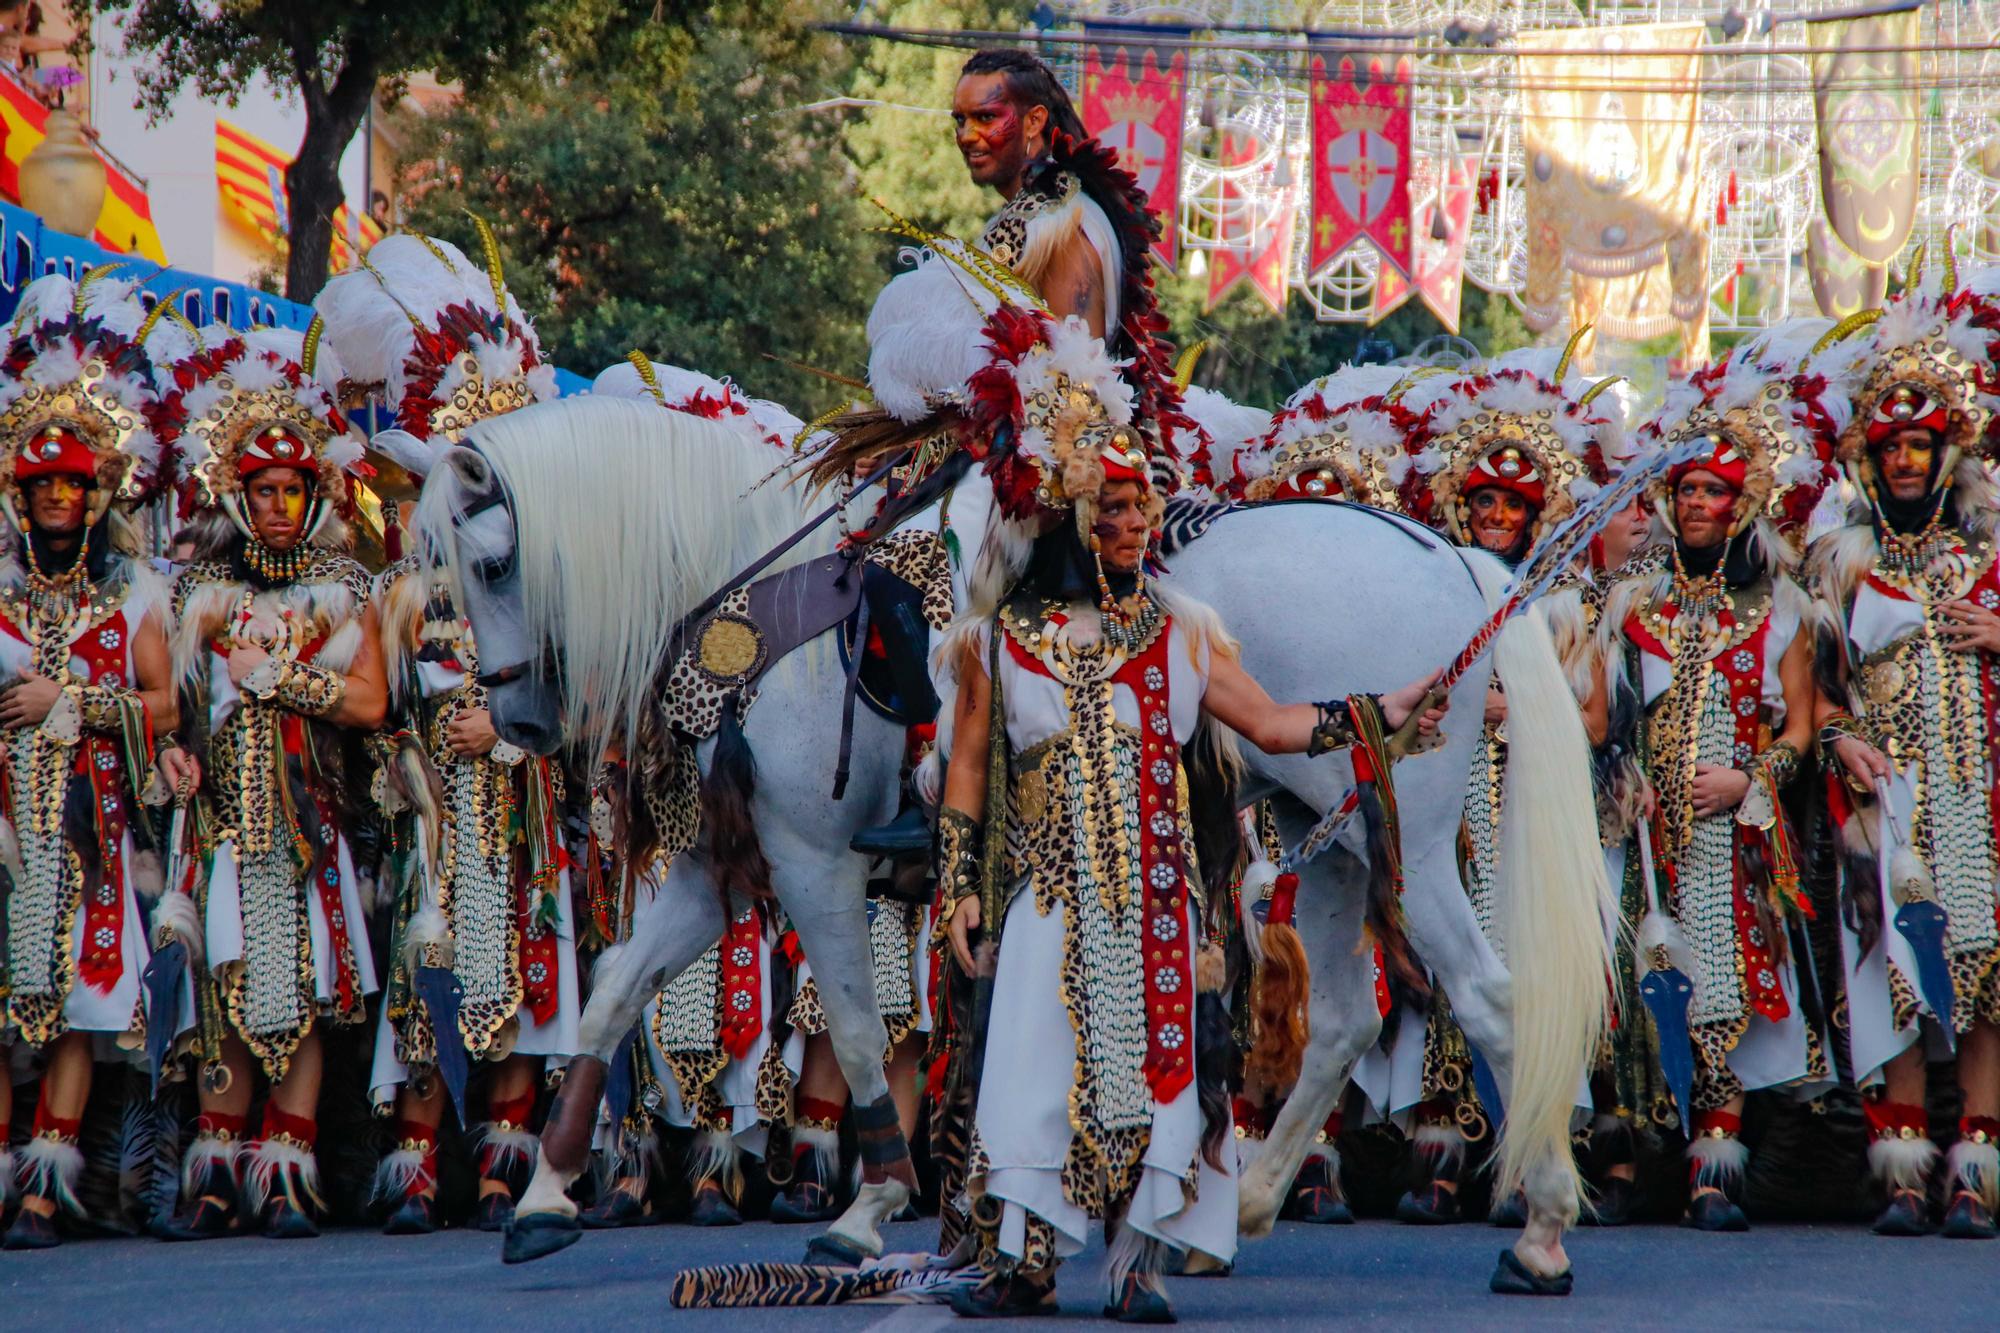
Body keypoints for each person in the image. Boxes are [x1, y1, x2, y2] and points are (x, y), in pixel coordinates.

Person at [316, 231, 577, 1236]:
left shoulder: (544, 582)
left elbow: (578, 704)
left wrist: (506, 736)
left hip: (522, 813)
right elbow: (376, 702)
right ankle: (418, 1166)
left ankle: (508, 1161)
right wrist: (426, 731)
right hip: (431, 819)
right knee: (428, 985)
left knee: (521, 973)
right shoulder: (400, 587)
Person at [150, 326, 388, 1241]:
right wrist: (171, 755)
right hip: (219, 825)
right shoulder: (200, 592)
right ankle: (215, 1170)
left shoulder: (341, 585)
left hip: (309, 825)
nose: (280, 504)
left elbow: (368, 702)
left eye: (293, 489)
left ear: (313, 493)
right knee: (224, 989)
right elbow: (172, 709)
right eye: (264, 491)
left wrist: (281, 677)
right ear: (239, 496)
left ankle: (287, 1169)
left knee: (311, 986)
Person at [1595, 346, 1839, 1233]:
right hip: (1638, 833)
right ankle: (1628, 1160)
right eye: (1686, 489)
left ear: (1743, 507)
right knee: (1630, 983)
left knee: (1724, 984)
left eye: (1714, 491)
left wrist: (1751, 777)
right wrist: (1621, 780)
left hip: (1731, 836)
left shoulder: (1784, 609)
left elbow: (1803, 727)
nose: (1697, 503)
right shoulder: (1629, 600)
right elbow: (1602, 716)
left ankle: (1713, 1160)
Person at [1386, 345, 1617, 1225]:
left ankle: (1533, 1158)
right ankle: (1444, 1148)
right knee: (1450, 966)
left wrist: (1501, 709)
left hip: (1531, 805)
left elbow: (1590, 724)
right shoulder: (1434, 599)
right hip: (1448, 803)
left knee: (1523, 962)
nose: (1492, 516)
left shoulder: (1565, 606)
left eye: (1510, 504)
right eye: (1480, 500)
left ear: (1535, 515)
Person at [1807, 275, 2000, 1240]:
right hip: (1880, 794)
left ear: (1948, 451)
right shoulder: (1837, 562)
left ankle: (1974, 1166)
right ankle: (1900, 1171)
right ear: (1871, 462)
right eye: (1892, 449)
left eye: (1922, 445)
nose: (1909, 461)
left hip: (1976, 791)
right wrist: (1838, 734)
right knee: (1887, 968)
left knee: (1979, 973)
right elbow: (1809, 686)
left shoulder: (1993, 551)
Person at [0, 272, 179, 1249]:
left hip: (93, 832)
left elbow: (165, 703)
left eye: (74, 483)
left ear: (96, 490)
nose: (61, 498)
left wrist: (69, 701)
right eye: (45, 484)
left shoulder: (135, 592)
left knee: (76, 1002)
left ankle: (48, 1179)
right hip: (5, 822)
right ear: (23, 493)